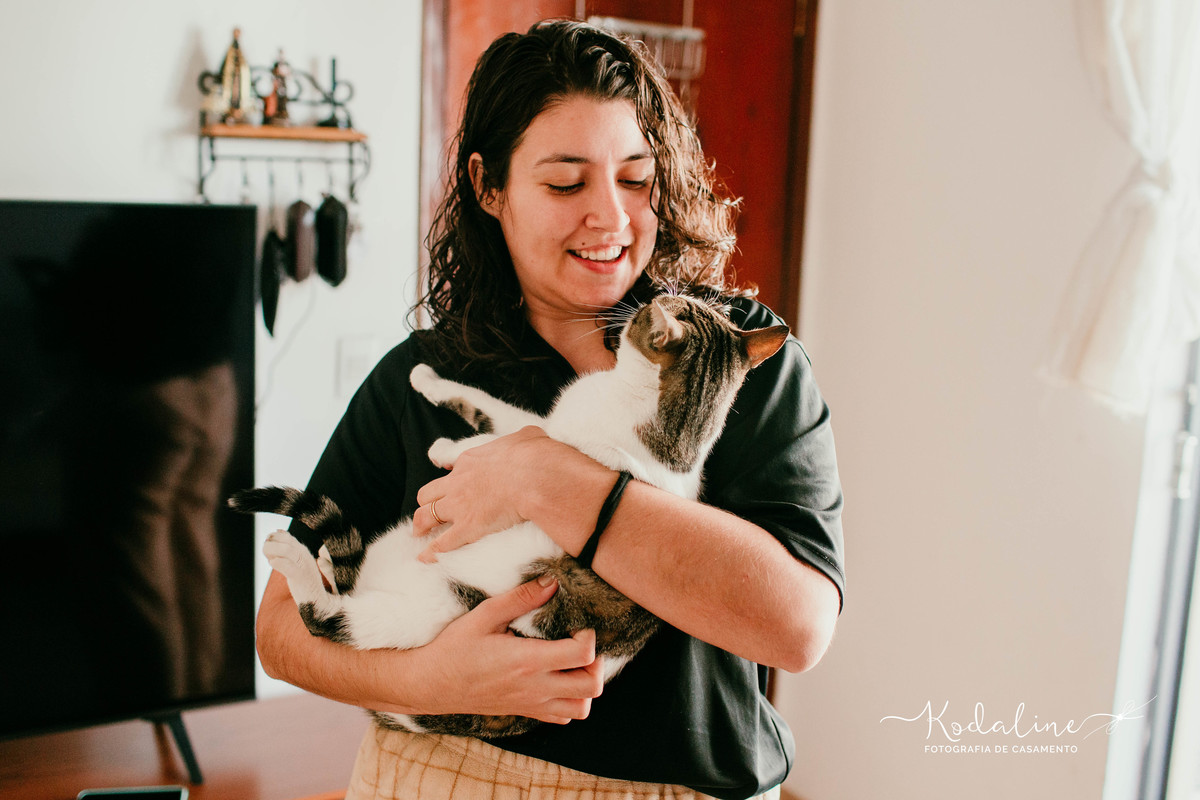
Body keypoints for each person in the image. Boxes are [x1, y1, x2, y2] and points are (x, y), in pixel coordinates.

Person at [255, 19, 844, 800]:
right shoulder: (423, 378)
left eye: (636, 179)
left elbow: (797, 628)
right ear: (488, 186)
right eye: (566, 182)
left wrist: (549, 479)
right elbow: (277, 633)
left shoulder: (735, 366)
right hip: (441, 777)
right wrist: (430, 679)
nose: (612, 216)